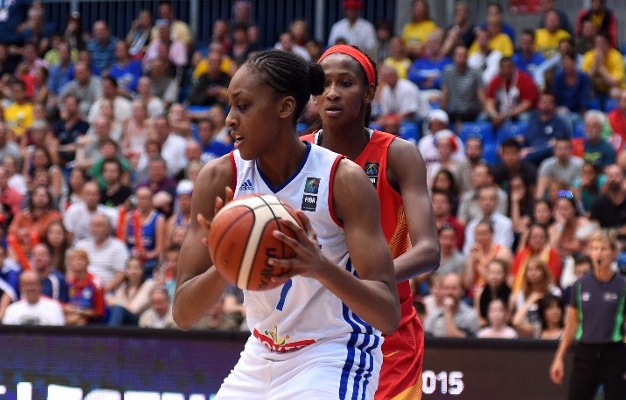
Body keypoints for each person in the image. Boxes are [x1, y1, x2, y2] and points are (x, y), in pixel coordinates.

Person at [173, 50, 400, 399]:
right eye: (230, 107)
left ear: (284, 108)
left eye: (243, 106)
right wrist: (227, 260)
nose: (230, 119)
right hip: (261, 352)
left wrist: (318, 265)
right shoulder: (220, 177)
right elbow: (183, 314)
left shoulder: (343, 179)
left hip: (334, 352)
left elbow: (387, 313)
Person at [306, 44, 440, 400]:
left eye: (345, 83)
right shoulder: (294, 153)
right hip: (314, 327)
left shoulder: (399, 154)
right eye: (324, 84)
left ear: (369, 93)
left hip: (386, 330)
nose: (332, 93)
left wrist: (361, 284)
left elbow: (428, 250)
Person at [550, 230, 626, 399]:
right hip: (585, 354)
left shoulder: (625, 286)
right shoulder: (579, 285)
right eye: (594, 248)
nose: (598, 253)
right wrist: (559, 358)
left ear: (614, 253)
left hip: (614, 354)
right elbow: (571, 325)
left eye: (603, 249)